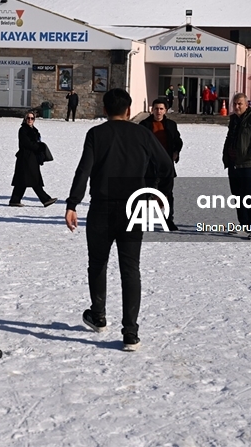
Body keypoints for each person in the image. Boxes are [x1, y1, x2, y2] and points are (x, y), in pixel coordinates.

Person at [65, 88, 175, 352]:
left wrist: (72, 204)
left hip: (101, 208)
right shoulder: (143, 134)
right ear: (129, 110)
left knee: (97, 263)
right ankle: (131, 333)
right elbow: (167, 166)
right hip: (133, 209)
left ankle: (99, 316)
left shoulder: (96, 134)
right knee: (130, 268)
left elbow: (84, 169)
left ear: (105, 110)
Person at [221, 93, 251, 239]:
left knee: (248, 195)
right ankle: (243, 224)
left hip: (247, 164)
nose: (237, 106)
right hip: (233, 163)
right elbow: (230, 138)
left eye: (240, 104)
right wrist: (226, 155)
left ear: (246, 104)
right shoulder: (234, 119)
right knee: (237, 195)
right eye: (235, 103)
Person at [140, 98, 182, 230]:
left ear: (165, 110)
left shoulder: (171, 125)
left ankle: (168, 219)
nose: (158, 111)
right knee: (146, 193)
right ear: (152, 110)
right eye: (156, 108)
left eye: (161, 109)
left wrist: (176, 152)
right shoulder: (144, 125)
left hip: (166, 165)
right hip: (149, 165)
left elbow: (178, 141)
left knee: (168, 193)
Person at [9, 110, 58, 207]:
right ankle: (45, 199)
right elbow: (26, 143)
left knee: (22, 180)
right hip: (25, 158)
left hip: (32, 158)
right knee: (34, 179)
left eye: (32, 118)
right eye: (28, 118)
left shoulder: (34, 130)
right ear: (25, 119)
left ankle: (15, 200)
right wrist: (39, 147)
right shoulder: (23, 130)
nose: (30, 120)